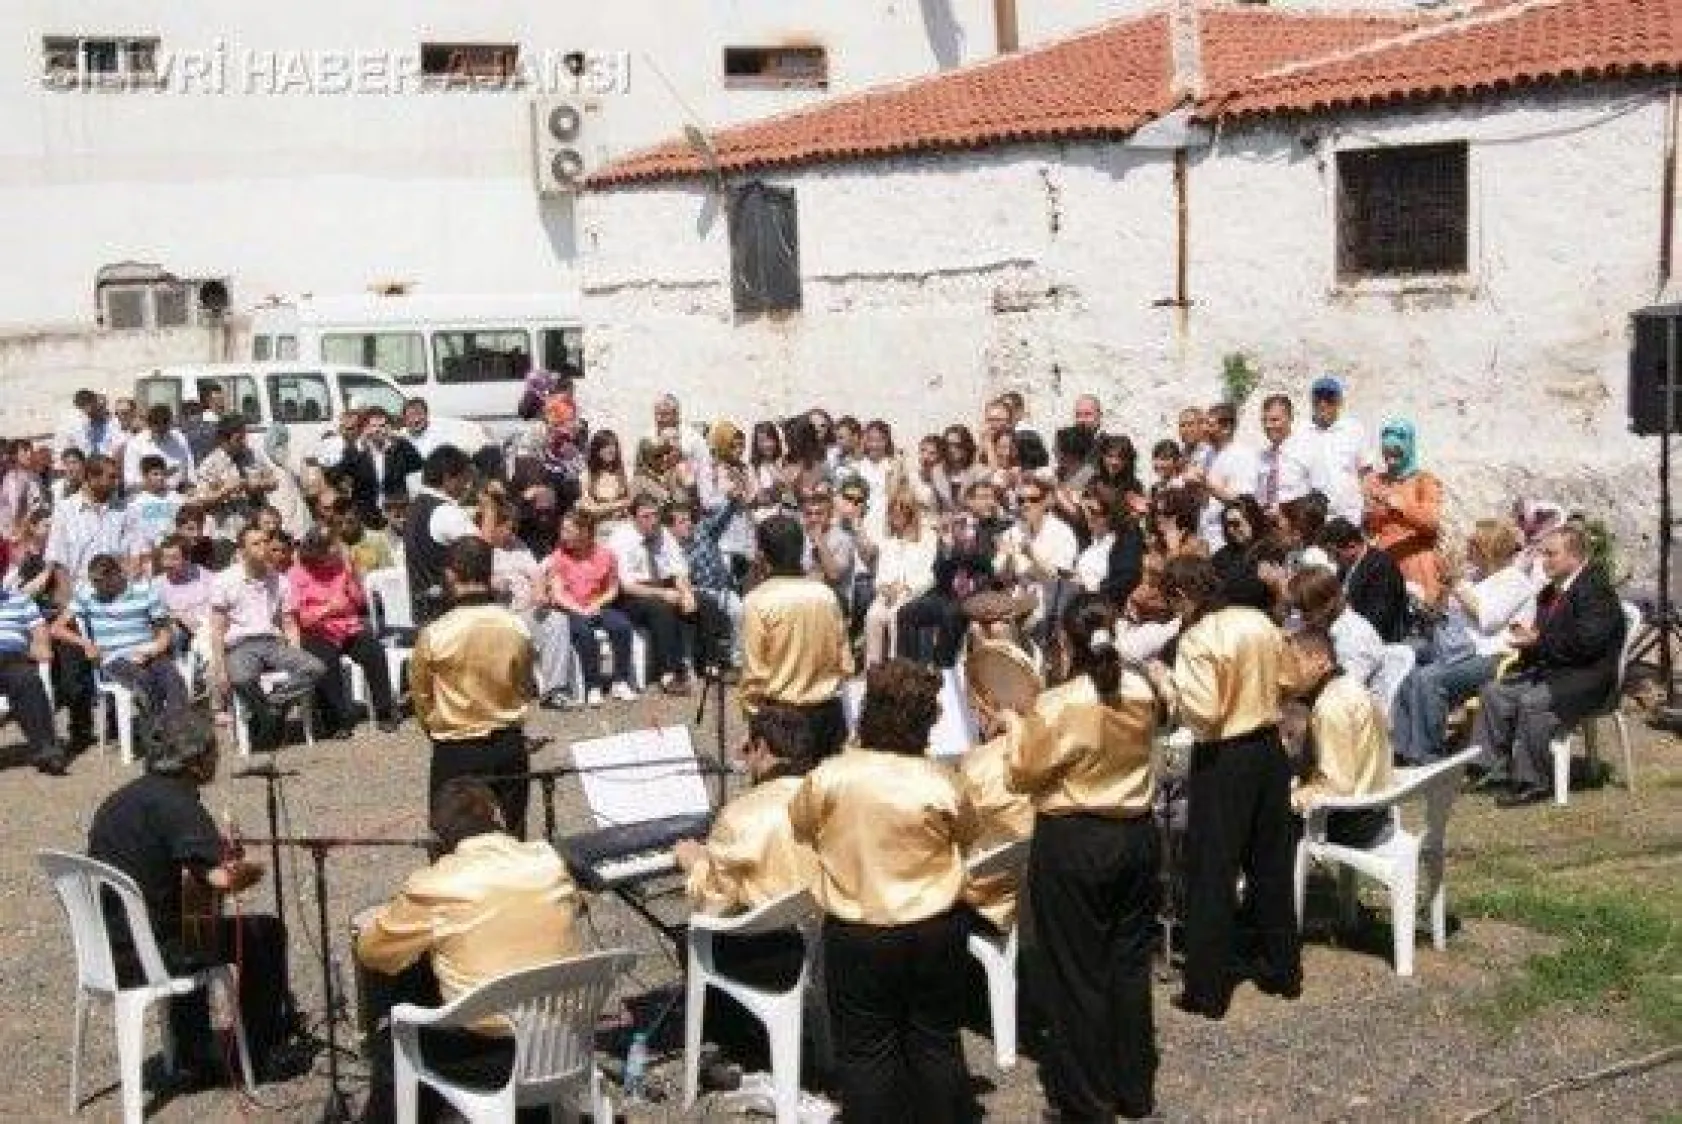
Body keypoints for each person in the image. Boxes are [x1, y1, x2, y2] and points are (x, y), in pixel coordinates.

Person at [988, 594, 1161, 1121]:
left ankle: (1086, 1101)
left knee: (1076, 971)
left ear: (1064, 641)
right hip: (1135, 833)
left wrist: (1013, 723)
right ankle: (1133, 1086)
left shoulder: (1061, 702)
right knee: (1129, 965)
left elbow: (1022, 772)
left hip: (1076, 840)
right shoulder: (1140, 690)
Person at [787, 659, 978, 1124]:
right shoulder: (941, 781)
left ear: (865, 713)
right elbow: (968, 833)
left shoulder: (831, 777)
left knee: (866, 1052)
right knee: (936, 1040)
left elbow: (800, 823)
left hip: (860, 929)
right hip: (935, 925)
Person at [355, 778, 580, 1124]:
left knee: (392, 1034)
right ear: (499, 818)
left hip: (492, 1057)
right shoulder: (549, 860)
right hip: (564, 1039)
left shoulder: (437, 882)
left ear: (438, 838)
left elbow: (373, 953)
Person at [86, 710, 292, 1082]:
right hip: (149, 955)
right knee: (264, 934)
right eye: (213, 751)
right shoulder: (179, 805)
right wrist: (250, 867)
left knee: (192, 926)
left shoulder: (120, 800)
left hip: (105, 947)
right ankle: (257, 1054)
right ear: (197, 760)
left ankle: (193, 1046)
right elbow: (221, 880)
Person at [1149, 555, 1299, 1020]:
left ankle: (1207, 990)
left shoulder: (1198, 639)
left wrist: (1168, 684)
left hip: (1223, 757)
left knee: (1211, 872)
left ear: (1182, 596)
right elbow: (1291, 679)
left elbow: (1205, 712)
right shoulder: (1260, 621)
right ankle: (1282, 969)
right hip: (1269, 750)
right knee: (1270, 862)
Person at [1469, 525, 1626, 807]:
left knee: (1533, 701)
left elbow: (1587, 644)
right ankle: (1490, 769)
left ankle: (1532, 782)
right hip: (1556, 670)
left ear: (1574, 557)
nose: (1544, 560)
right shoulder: (1550, 591)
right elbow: (1546, 638)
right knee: (1495, 692)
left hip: (1589, 678)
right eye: (1543, 553)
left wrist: (1538, 641)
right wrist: (1526, 643)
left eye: (1551, 554)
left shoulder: (1595, 590)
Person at [411, 537, 538, 836]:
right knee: (512, 837)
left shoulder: (435, 633)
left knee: (453, 840)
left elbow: (421, 696)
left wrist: (433, 726)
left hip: (457, 747)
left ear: (451, 573)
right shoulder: (516, 626)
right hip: (509, 744)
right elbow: (524, 683)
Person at [1392, 520, 1539, 763]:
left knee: (1429, 679)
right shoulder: (1474, 576)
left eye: (1473, 544)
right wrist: (1441, 593)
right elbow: (1443, 612)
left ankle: (1427, 755)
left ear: (1489, 549)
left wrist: (1457, 585)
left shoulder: (1515, 581)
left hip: (1492, 655)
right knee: (1404, 662)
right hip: (1456, 647)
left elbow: (1487, 620)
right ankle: (1402, 748)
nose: (1467, 549)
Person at [45, 454, 148, 751]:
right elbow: (60, 563)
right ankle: (80, 728)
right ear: (90, 478)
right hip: (80, 597)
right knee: (74, 670)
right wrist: (68, 606)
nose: (116, 482)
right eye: (109, 476)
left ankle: (120, 723)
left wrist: (125, 597)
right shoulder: (65, 510)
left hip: (116, 598)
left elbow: (134, 555)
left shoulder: (124, 510)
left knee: (122, 658)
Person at [739, 514, 853, 759]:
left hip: (781, 722)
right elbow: (845, 662)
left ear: (762, 555)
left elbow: (753, 677)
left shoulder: (757, 602)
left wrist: (754, 723)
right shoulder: (826, 596)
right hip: (829, 716)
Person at [208, 526, 325, 744]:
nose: (264, 547)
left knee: (315, 668)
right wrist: (220, 667)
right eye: (256, 543)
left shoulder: (280, 581)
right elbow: (217, 629)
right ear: (242, 551)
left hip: (272, 642)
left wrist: (295, 652)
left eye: (265, 542)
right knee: (242, 678)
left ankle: (271, 707)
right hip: (240, 645)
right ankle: (269, 717)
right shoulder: (224, 580)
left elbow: (289, 623)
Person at [56, 552, 190, 734]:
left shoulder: (144, 592)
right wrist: (85, 643)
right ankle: (159, 736)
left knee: (174, 681)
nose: (98, 587)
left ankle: (176, 733)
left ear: (118, 574)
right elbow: (57, 628)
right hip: (113, 657)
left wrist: (153, 650)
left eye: (102, 582)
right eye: (94, 582)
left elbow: (164, 631)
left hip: (147, 650)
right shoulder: (87, 595)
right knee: (143, 681)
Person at [287, 528, 400, 735]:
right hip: (317, 630)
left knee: (373, 650)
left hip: (348, 626)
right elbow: (301, 618)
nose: (336, 551)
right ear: (317, 553)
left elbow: (359, 603)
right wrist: (329, 608)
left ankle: (385, 712)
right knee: (326, 660)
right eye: (331, 549)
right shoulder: (297, 575)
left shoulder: (341, 567)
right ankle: (337, 721)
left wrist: (353, 575)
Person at [1286, 629, 1395, 846]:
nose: (1285, 672)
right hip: (1377, 809)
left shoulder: (1330, 706)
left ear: (1321, 661)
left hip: (1353, 822)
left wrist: (1293, 797)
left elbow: (1336, 787)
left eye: (1293, 662)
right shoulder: (1350, 685)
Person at [483, 495, 575, 709]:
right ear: (493, 526)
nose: (512, 533)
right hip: (503, 613)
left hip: (527, 610)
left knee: (557, 621)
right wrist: (496, 584)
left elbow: (536, 573)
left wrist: (540, 592)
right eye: (507, 528)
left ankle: (554, 690)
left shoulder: (519, 545)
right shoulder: (483, 550)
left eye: (514, 527)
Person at [544, 508, 638, 706]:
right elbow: (558, 594)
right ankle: (592, 685)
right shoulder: (559, 557)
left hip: (597, 604)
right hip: (570, 609)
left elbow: (613, 589)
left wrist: (597, 604)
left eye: (568, 530)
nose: (563, 535)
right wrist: (580, 610)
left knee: (621, 626)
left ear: (584, 532)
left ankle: (619, 680)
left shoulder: (606, 555)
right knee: (584, 633)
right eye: (562, 530)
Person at [608, 494, 699, 695]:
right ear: (633, 518)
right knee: (660, 608)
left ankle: (708, 663)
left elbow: (679, 568)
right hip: (629, 596)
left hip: (662, 585)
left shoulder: (663, 534)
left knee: (704, 601)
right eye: (646, 516)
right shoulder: (621, 539)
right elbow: (626, 585)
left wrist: (686, 593)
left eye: (655, 515)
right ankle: (668, 673)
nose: (653, 521)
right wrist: (663, 593)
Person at [1363, 418, 1444, 604]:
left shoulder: (1424, 481)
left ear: (1409, 446)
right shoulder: (1375, 481)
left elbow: (1432, 523)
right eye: (1387, 452)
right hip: (1382, 561)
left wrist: (1398, 505)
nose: (1391, 458)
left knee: (1417, 616)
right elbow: (1368, 525)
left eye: (1397, 451)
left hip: (1415, 561)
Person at [404, 445, 479, 627]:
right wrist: (491, 509)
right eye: (465, 478)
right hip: (449, 617)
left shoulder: (416, 507)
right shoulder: (446, 512)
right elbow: (480, 552)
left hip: (423, 612)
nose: (468, 486)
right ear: (448, 478)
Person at [863, 490, 937, 668]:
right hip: (888, 595)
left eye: (900, 512)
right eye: (892, 513)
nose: (895, 517)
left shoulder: (928, 539)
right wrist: (883, 587)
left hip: (915, 595)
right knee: (873, 616)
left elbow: (930, 575)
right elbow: (880, 574)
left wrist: (907, 587)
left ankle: (897, 668)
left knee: (898, 614)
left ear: (910, 514)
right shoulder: (889, 542)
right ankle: (873, 671)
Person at [1288, 565, 1387, 695]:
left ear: (1327, 605)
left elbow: (1346, 692)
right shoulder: (1327, 625)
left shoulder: (1352, 638)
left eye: (1305, 610)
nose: (1300, 616)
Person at [0, 578, 64, 773]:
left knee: (28, 680)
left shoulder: (21, 600)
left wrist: (42, 646)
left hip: (12, 658)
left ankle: (47, 751)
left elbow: (39, 630)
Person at [331, 406, 423, 529]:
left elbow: (418, 464)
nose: (378, 430)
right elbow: (336, 475)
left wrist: (400, 440)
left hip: (395, 513)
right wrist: (358, 448)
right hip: (366, 513)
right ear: (366, 428)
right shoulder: (356, 451)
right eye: (374, 426)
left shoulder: (399, 448)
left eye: (382, 426)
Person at [1320, 516, 1410, 644]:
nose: (1331, 559)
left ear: (1351, 546)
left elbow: (1378, 617)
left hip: (1378, 641)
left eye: (1334, 553)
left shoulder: (1380, 567)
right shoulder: (1345, 567)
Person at [1295, 375, 1369, 527]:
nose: (1323, 403)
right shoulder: (1300, 432)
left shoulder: (1355, 430)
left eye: (1329, 398)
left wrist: (1367, 510)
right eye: (1318, 398)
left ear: (1340, 401)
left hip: (1350, 518)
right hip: (1315, 520)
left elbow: (1366, 473)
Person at [194, 417, 278, 542]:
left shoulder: (252, 455)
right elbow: (201, 501)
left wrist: (258, 484)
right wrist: (226, 490)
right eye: (238, 439)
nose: (244, 442)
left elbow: (274, 481)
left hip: (257, 528)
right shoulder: (209, 465)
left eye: (245, 437)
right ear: (223, 440)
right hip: (228, 532)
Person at [1191, 400, 1259, 551]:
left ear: (1227, 428)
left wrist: (1206, 484)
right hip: (1205, 535)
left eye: (1210, 424)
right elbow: (1203, 498)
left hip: (1226, 538)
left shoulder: (1242, 455)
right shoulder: (1205, 455)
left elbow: (1241, 502)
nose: (1204, 429)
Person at [1074, 482, 1145, 606]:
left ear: (1110, 515)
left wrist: (1091, 587)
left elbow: (1125, 580)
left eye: (1094, 511)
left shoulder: (1125, 543)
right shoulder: (1091, 540)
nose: (1088, 516)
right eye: (1085, 510)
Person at [1254, 394, 1314, 511]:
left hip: (1296, 523)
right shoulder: (1261, 457)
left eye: (1274, 420)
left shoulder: (1307, 451)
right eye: (1264, 420)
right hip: (1265, 523)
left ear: (1290, 418)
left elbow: (1318, 492)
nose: (1268, 425)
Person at [121, 403, 195, 491]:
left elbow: (190, 468)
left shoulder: (179, 438)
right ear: (149, 423)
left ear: (171, 422)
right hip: (146, 495)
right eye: (156, 423)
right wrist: (159, 480)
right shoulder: (136, 443)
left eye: (165, 422)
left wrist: (191, 485)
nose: (161, 427)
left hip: (178, 493)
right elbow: (130, 481)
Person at [131, 455, 184, 549]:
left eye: (162, 474)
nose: (160, 477)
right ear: (145, 476)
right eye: (155, 474)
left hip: (173, 548)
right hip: (148, 549)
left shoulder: (176, 498)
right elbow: (136, 532)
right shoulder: (137, 502)